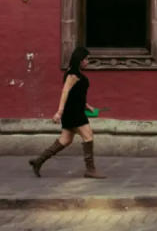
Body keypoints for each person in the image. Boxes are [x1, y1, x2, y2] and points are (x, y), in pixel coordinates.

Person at [29, 46, 105, 178]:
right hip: (74, 113)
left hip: (74, 111)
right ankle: (90, 170)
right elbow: (65, 93)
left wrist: (88, 106)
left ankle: (38, 161)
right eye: (86, 59)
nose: (88, 62)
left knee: (65, 140)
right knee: (88, 136)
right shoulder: (72, 75)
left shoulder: (75, 73)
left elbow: (76, 94)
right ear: (80, 60)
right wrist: (59, 112)